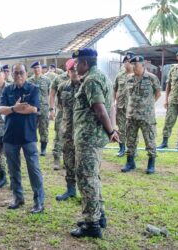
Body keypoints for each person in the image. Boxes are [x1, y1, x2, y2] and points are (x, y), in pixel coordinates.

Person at [70, 48, 118, 239]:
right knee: (93, 177)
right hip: (93, 138)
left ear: (85, 63)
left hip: (88, 138)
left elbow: (100, 110)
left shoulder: (91, 80)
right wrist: (110, 130)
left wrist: (111, 130)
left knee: (87, 179)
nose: (74, 66)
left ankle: (92, 224)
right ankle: (100, 215)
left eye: (77, 63)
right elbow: (108, 107)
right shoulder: (102, 77)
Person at [0, 63, 45, 214]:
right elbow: (1, 110)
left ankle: (38, 201)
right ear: (11, 74)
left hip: (28, 136)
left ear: (26, 73)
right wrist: (14, 108)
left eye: (21, 72)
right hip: (10, 136)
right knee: (13, 169)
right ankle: (18, 198)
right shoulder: (7, 90)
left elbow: (34, 109)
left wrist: (13, 109)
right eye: (16, 72)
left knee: (34, 169)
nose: (18, 75)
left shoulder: (33, 89)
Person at [122, 55, 161, 174]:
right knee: (130, 140)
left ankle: (151, 164)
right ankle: (130, 162)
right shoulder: (129, 78)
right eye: (132, 64)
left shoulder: (151, 78)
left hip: (146, 116)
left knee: (149, 140)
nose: (133, 67)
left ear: (143, 65)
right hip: (131, 115)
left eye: (136, 65)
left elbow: (158, 93)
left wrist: (148, 104)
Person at [55, 59, 79, 201]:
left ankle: (87, 193)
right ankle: (70, 190)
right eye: (72, 70)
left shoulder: (87, 86)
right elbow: (60, 106)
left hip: (83, 132)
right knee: (68, 161)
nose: (75, 73)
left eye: (76, 70)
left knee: (83, 164)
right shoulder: (63, 87)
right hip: (67, 130)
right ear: (68, 72)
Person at [158, 49, 178, 149]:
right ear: (177, 57)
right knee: (168, 121)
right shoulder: (173, 69)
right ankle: (164, 142)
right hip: (173, 100)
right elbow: (168, 86)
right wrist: (166, 100)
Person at [114, 52, 135, 157]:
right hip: (121, 106)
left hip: (133, 108)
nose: (128, 63)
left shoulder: (138, 74)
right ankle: (122, 148)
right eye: (126, 61)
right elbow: (115, 90)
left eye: (130, 61)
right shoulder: (119, 75)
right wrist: (114, 103)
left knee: (132, 129)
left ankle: (132, 150)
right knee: (121, 128)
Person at [28, 61, 51, 156]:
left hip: (44, 108)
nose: (37, 69)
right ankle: (32, 148)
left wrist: (51, 108)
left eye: (38, 67)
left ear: (41, 69)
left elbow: (50, 94)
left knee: (44, 128)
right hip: (32, 109)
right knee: (31, 128)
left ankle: (43, 149)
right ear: (33, 69)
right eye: (35, 68)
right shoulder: (29, 81)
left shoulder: (47, 80)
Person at [49, 68, 69, 170]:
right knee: (59, 135)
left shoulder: (81, 76)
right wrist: (51, 109)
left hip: (75, 113)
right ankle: (56, 159)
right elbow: (52, 94)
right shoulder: (59, 79)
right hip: (61, 112)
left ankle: (68, 160)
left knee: (71, 137)